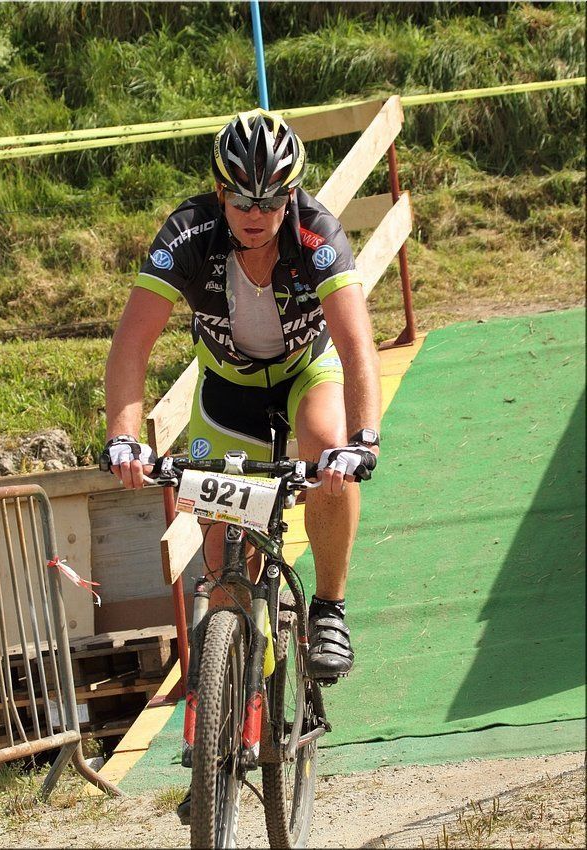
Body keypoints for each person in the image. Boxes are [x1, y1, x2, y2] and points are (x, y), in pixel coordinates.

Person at [102, 106, 381, 680]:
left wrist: (364, 440)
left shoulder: (317, 233)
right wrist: (123, 437)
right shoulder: (188, 233)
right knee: (223, 557)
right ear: (219, 193)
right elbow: (131, 345)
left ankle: (330, 608)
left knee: (327, 445)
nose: (257, 214)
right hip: (228, 386)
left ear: (291, 196)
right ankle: (238, 688)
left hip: (306, 371)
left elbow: (357, 349)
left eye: (272, 201)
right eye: (242, 200)